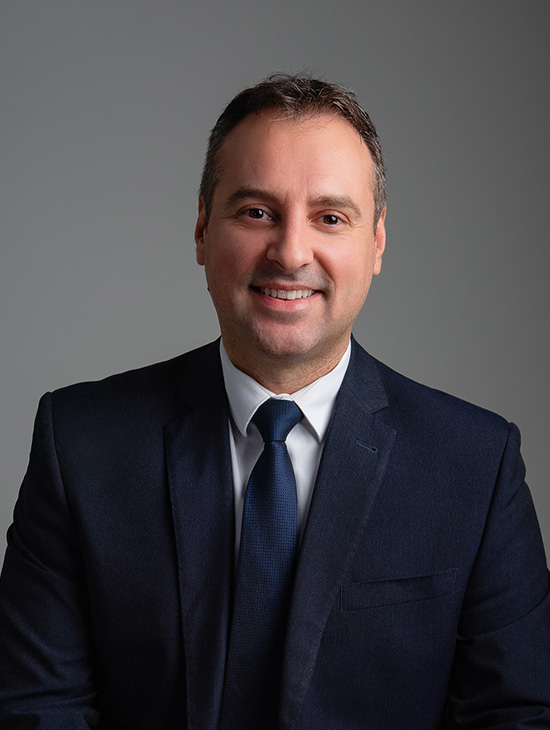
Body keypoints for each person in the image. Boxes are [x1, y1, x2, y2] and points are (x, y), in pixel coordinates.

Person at [0, 73, 549, 730]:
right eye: (256, 212)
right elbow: (38, 708)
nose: (290, 253)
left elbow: (516, 715)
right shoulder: (79, 446)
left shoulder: (476, 466)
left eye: (330, 218)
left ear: (376, 243)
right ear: (202, 229)